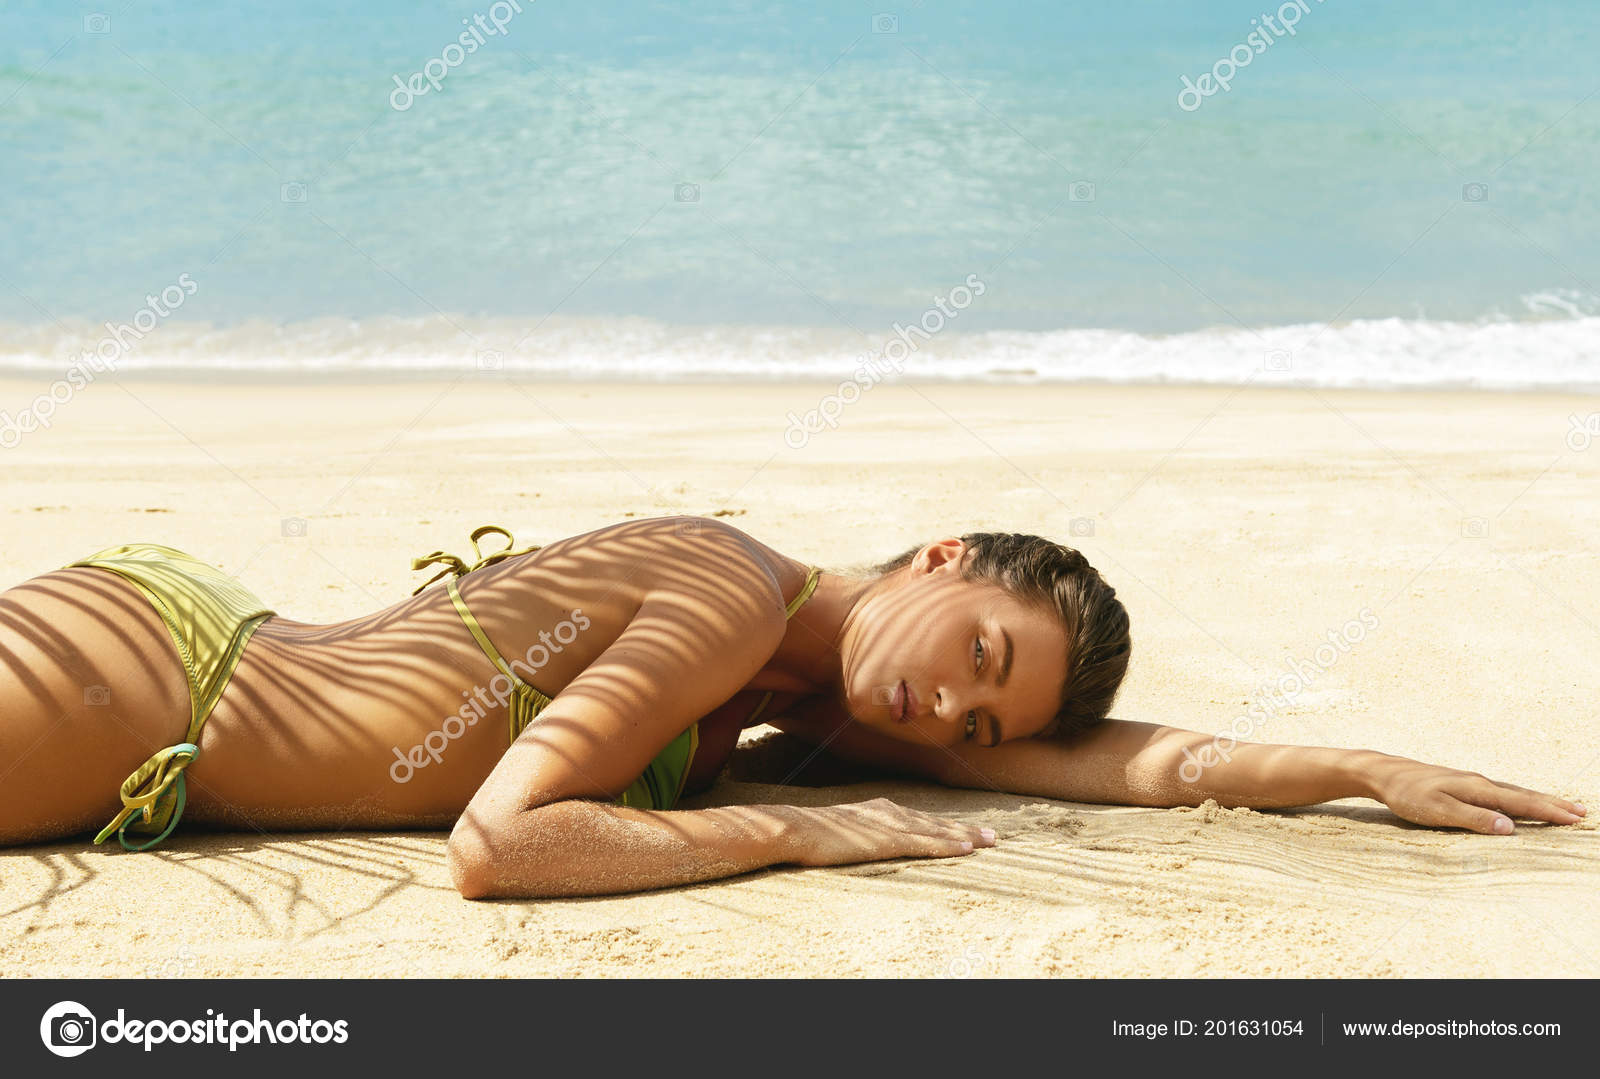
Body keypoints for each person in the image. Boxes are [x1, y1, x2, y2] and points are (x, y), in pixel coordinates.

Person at [0, 515, 1582, 898]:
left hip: (165, 690)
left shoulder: (808, 683)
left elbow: (1145, 764)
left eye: (981, 721)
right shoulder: (732, 596)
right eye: (975, 648)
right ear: (939, 555)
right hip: (143, 675)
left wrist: (1368, 767)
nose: (950, 710)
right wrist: (799, 840)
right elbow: (500, 843)